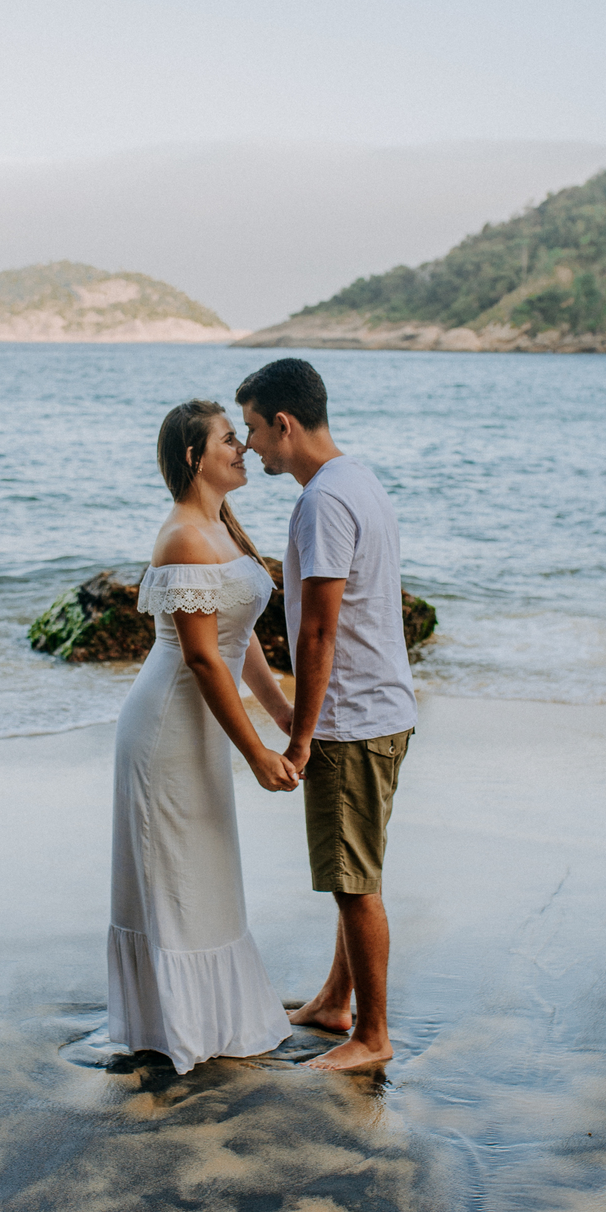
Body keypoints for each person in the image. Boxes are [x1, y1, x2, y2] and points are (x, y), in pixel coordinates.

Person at [236, 358, 416, 1073]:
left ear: (284, 423)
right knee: (358, 868)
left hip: (353, 718)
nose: (249, 445)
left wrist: (301, 733)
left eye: (252, 429)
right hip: (384, 706)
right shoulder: (357, 479)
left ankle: (371, 1037)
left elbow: (319, 629)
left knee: (353, 883)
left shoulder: (321, 502)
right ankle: (334, 1004)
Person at [108, 398, 298, 1074]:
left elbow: (237, 640)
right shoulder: (184, 536)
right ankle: (176, 1026)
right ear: (195, 457)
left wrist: (281, 713)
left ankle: (214, 1019)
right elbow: (201, 657)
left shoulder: (226, 530)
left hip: (204, 721)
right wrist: (256, 754)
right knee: (178, 874)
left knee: (209, 869)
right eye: (228, 440)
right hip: (168, 728)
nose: (243, 449)